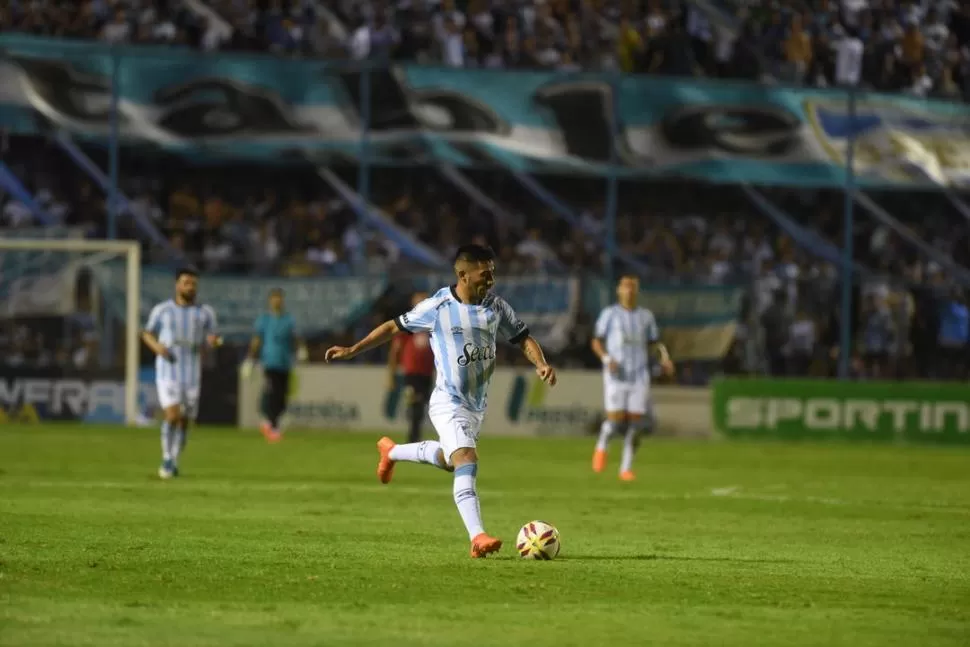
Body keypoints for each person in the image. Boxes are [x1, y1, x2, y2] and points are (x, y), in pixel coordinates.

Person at [325, 244, 558, 558]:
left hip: (476, 406)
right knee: (466, 459)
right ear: (462, 274)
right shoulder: (438, 306)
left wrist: (540, 363)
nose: (491, 278)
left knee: (451, 462)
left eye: (493, 271)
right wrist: (353, 350)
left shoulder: (497, 307)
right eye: (484, 273)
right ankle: (477, 537)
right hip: (448, 401)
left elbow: (523, 338)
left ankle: (392, 451)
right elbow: (394, 326)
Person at [589, 274, 673, 481]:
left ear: (637, 291)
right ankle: (602, 444)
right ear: (619, 290)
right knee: (615, 421)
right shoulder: (610, 314)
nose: (629, 291)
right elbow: (596, 342)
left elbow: (654, 343)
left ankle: (625, 468)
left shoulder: (646, 316)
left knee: (637, 424)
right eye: (625, 287)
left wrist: (664, 359)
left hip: (639, 374)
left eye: (633, 287)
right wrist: (607, 358)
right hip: (616, 374)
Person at [141, 268, 220, 479]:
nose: (190, 287)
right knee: (172, 415)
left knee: (185, 420)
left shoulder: (205, 313)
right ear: (177, 285)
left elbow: (215, 338)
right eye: (186, 283)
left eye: (193, 284)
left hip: (192, 372)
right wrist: (157, 347)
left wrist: (213, 343)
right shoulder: (163, 310)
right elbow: (146, 333)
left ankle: (174, 459)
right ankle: (166, 458)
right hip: (167, 370)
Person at [242, 288, 308, 442]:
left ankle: (275, 425)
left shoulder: (289, 320)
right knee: (271, 393)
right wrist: (250, 359)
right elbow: (257, 340)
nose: (277, 301)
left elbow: (295, 337)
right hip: (270, 361)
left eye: (279, 298)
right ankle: (269, 423)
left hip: (285, 362)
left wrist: (301, 350)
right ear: (270, 301)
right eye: (274, 298)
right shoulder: (264, 320)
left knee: (282, 396)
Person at [387, 291, 435, 443]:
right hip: (411, 373)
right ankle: (413, 439)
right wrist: (391, 375)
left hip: (427, 373)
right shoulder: (407, 323)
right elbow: (395, 351)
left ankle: (416, 437)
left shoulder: (433, 325)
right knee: (416, 403)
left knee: (422, 406)